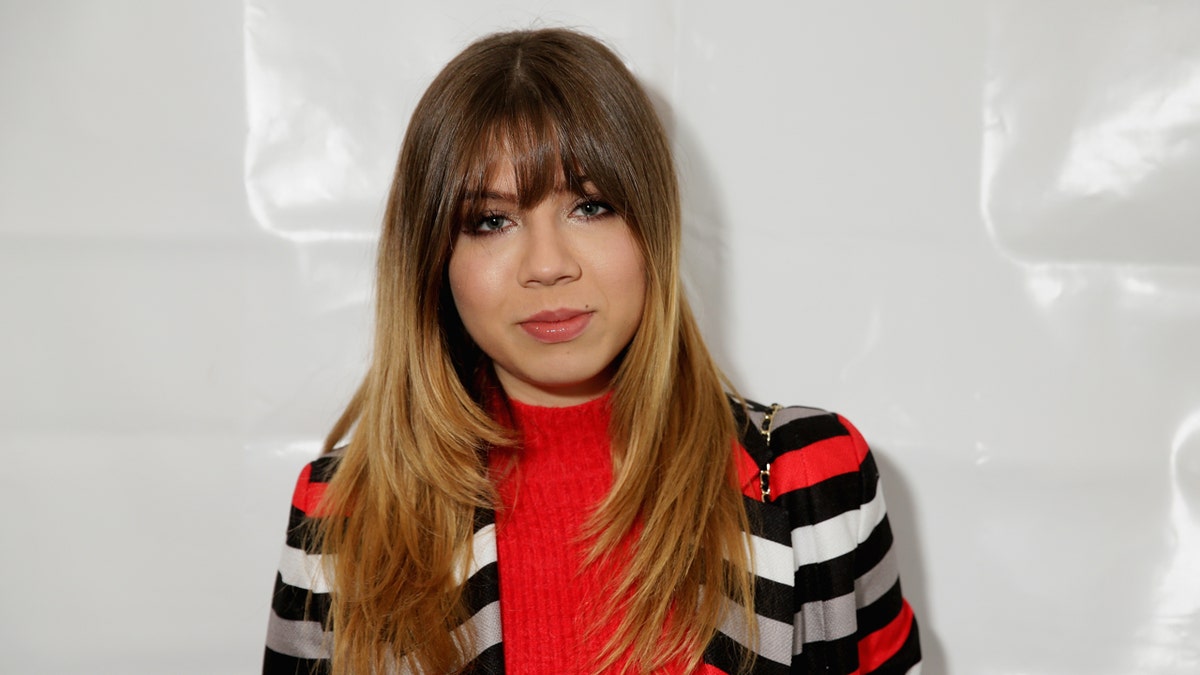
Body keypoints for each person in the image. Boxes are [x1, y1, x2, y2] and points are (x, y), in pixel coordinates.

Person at [263, 27, 921, 675]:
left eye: (591, 206)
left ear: (652, 226)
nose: (547, 266)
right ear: (435, 259)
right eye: (491, 221)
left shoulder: (814, 478)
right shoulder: (344, 514)